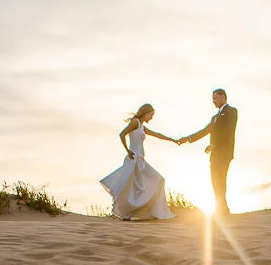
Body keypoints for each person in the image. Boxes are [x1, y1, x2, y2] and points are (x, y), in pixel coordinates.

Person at [100, 103, 176, 221]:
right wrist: (128, 150)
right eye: (151, 115)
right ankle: (127, 213)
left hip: (141, 160)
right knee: (132, 188)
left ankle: (150, 211)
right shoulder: (135, 122)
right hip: (134, 159)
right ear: (145, 113)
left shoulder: (142, 127)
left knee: (158, 180)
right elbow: (122, 134)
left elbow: (157, 135)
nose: (151, 118)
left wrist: (172, 140)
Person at [176, 88, 238, 217]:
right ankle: (222, 209)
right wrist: (188, 139)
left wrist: (215, 144)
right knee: (215, 181)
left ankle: (222, 210)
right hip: (214, 154)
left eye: (215, 98)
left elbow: (228, 130)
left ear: (222, 97)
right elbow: (205, 131)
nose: (213, 101)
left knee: (221, 179)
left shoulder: (231, 111)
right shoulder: (214, 117)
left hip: (224, 152)